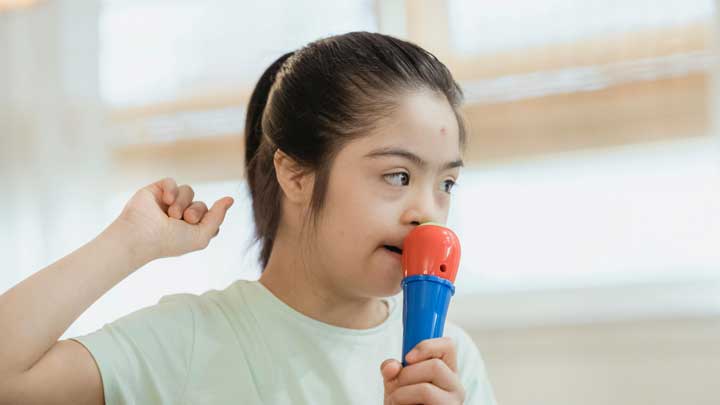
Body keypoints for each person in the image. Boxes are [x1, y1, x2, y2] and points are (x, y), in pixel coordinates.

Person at [0, 31, 496, 405]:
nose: (428, 215)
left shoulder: (451, 363)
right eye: (397, 176)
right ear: (296, 174)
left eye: (446, 184)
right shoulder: (191, 341)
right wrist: (127, 244)